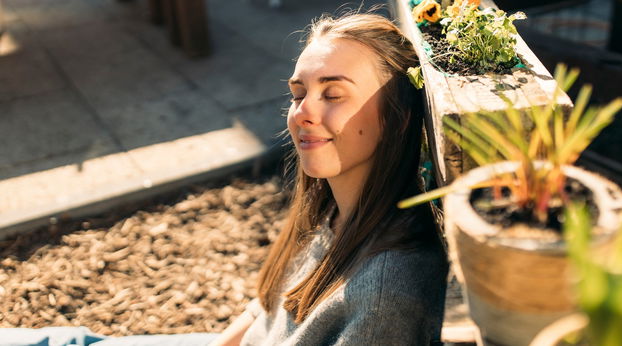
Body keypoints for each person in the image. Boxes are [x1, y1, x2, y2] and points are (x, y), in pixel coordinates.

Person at [0, 12, 448, 346]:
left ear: (399, 116)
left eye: (333, 93)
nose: (303, 111)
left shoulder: (387, 289)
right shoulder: (332, 212)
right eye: (298, 93)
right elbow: (266, 308)